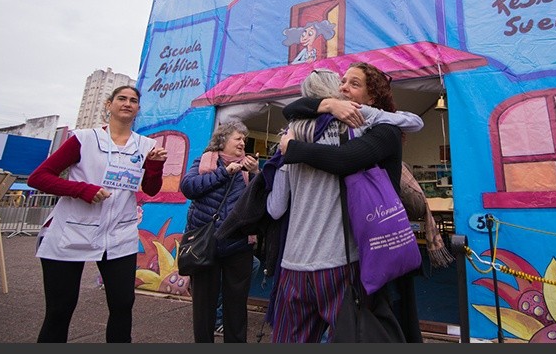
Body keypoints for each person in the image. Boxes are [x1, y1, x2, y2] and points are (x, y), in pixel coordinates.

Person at [266, 67, 423, 343]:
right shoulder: (336, 126)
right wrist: (328, 105)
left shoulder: (380, 130)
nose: (343, 88)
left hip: (362, 253)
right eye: (341, 83)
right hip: (341, 262)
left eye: (354, 84)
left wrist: (291, 149)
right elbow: (292, 108)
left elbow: (344, 159)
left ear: (372, 97)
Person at [27, 85, 167, 343]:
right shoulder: (83, 139)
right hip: (72, 231)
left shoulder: (146, 145)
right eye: (121, 99)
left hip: (119, 235)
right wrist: (82, 190)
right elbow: (39, 178)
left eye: (133, 100)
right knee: (60, 310)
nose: (127, 103)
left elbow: (150, 189)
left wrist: (155, 166)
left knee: (123, 305)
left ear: (138, 109)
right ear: (108, 105)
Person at [180, 119, 260, 343]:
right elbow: (189, 188)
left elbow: (259, 201)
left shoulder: (247, 166)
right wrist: (224, 173)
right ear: (223, 140)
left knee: (236, 306)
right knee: (204, 306)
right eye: (238, 138)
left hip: (238, 244)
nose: (242, 143)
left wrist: (255, 174)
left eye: (244, 139)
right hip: (206, 244)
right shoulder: (204, 161)